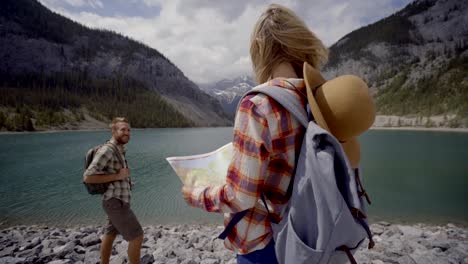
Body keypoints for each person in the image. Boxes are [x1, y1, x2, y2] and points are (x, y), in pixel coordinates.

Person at [182, 4, 328, 263]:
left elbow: (241, 198)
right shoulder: (320, 99)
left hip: (266, 242)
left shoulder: (259, 104)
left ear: (259, 47)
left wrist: (197, 194)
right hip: (310, 235)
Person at [83, 117, 143, 264]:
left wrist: (125, 182)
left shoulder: (119, 150)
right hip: (115, 202)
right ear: (114, 131)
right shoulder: (107, 150)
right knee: (137, 236)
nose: (127, 133)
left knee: (109, 235)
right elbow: (88, 177)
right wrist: (118, 176)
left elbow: (115, 177)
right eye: (123, 129)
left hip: (117, 200)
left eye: (129, 130)